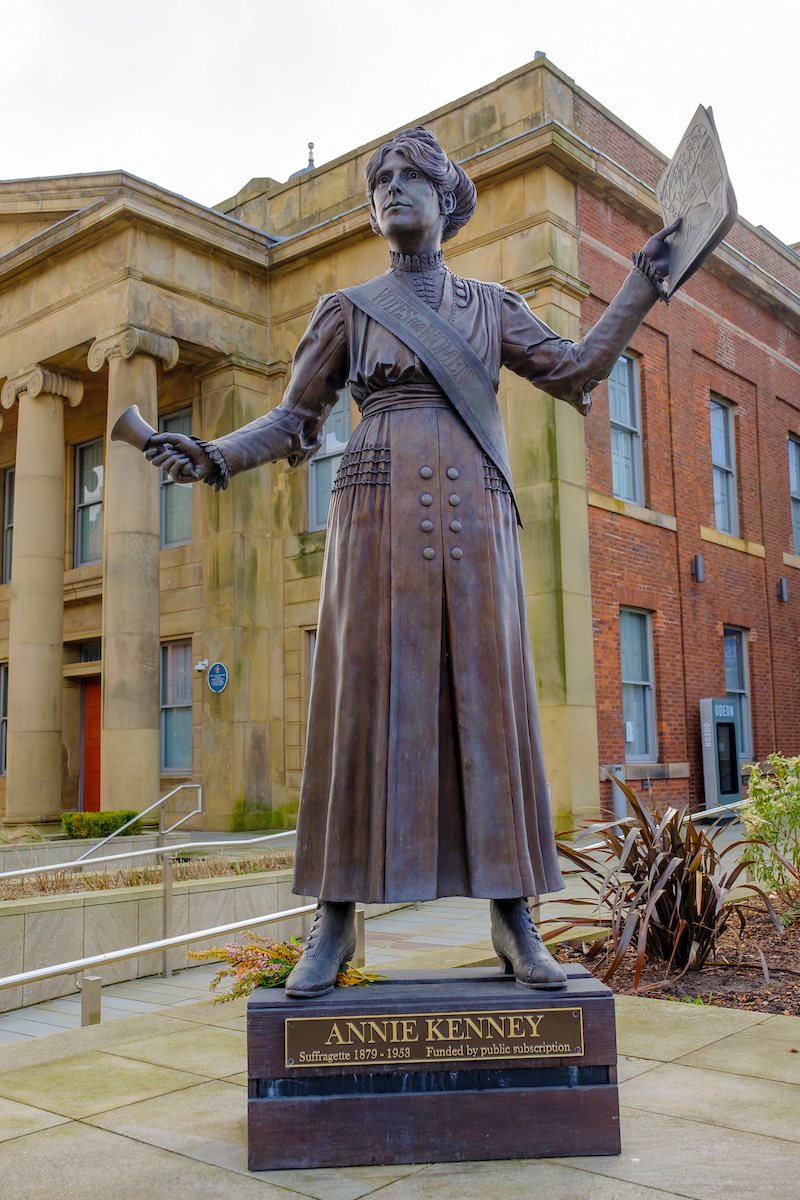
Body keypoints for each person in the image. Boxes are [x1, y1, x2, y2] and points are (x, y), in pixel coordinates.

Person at [146, 126, 677, 999]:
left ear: (446, 198)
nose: (391, 188)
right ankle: (335, 921)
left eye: (410, 176)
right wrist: (212, 455)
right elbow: (293, 423)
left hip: (476, 517)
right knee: (357, 704)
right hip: (374, 516)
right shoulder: (345, 311)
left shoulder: (492, 306)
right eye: (379, 180)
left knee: (490, 702)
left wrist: (644, 282)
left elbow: (577, 371)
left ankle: (514, 920)